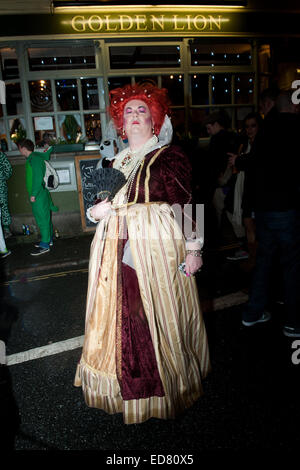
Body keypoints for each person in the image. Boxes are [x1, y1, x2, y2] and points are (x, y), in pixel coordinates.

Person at [74, 83, 210, 424]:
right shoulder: (113, 160)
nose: (135, 116)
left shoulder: (169, 155)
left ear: (156, 120)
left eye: (142, 111)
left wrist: (194, 248)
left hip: (152, 248)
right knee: (119, 316)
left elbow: (185, 203)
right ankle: (124, 384)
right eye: (128, 111)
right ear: (120, 122)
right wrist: (96, 213)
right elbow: (97, 205)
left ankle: (156, 387)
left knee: (148, 314)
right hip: (112, 246)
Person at [241, 90, 300, 337]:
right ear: (295, 107)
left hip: (264, 209)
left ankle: (252, 313)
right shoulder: (296, 128)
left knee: (264, 262)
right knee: (293, 266)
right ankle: (294, 323)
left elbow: (253, 164)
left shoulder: (266, 129)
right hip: (289, 208)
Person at [226, 112, 263, 261]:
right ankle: (253, 258)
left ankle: (260, 259)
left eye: (253, 126)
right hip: (246, 191)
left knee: (258, 227)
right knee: (248, 225)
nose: (250, 129)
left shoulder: (262, 144)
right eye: (247, 126)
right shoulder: (245, 145)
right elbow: (237, 170)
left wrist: (240, 161)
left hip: (260, 192)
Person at [18, 139, 58, 256]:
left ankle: (45, 244)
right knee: (45, 217)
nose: (19, 150)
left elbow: (37, 178)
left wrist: (33, 194)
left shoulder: (34, 159)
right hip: (40, 193)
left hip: (38, 194)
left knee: (42, 219)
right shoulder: (34, 157)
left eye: (19, 148)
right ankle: (48, 239)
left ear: (23, 148)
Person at [204, 111, 240, 236]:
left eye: (209, 128)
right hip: (232, 182)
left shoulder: (217, 139)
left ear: (217, 124)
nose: (208, 132)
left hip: (220, 182)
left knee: (218, 213)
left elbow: (213, 163)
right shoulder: (234, 137)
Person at [0, 150, 13, 238]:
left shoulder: (0, 155)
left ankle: (6, 230)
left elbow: (8, 170)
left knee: (3, 206)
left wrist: (1, 178)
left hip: (1, 187)